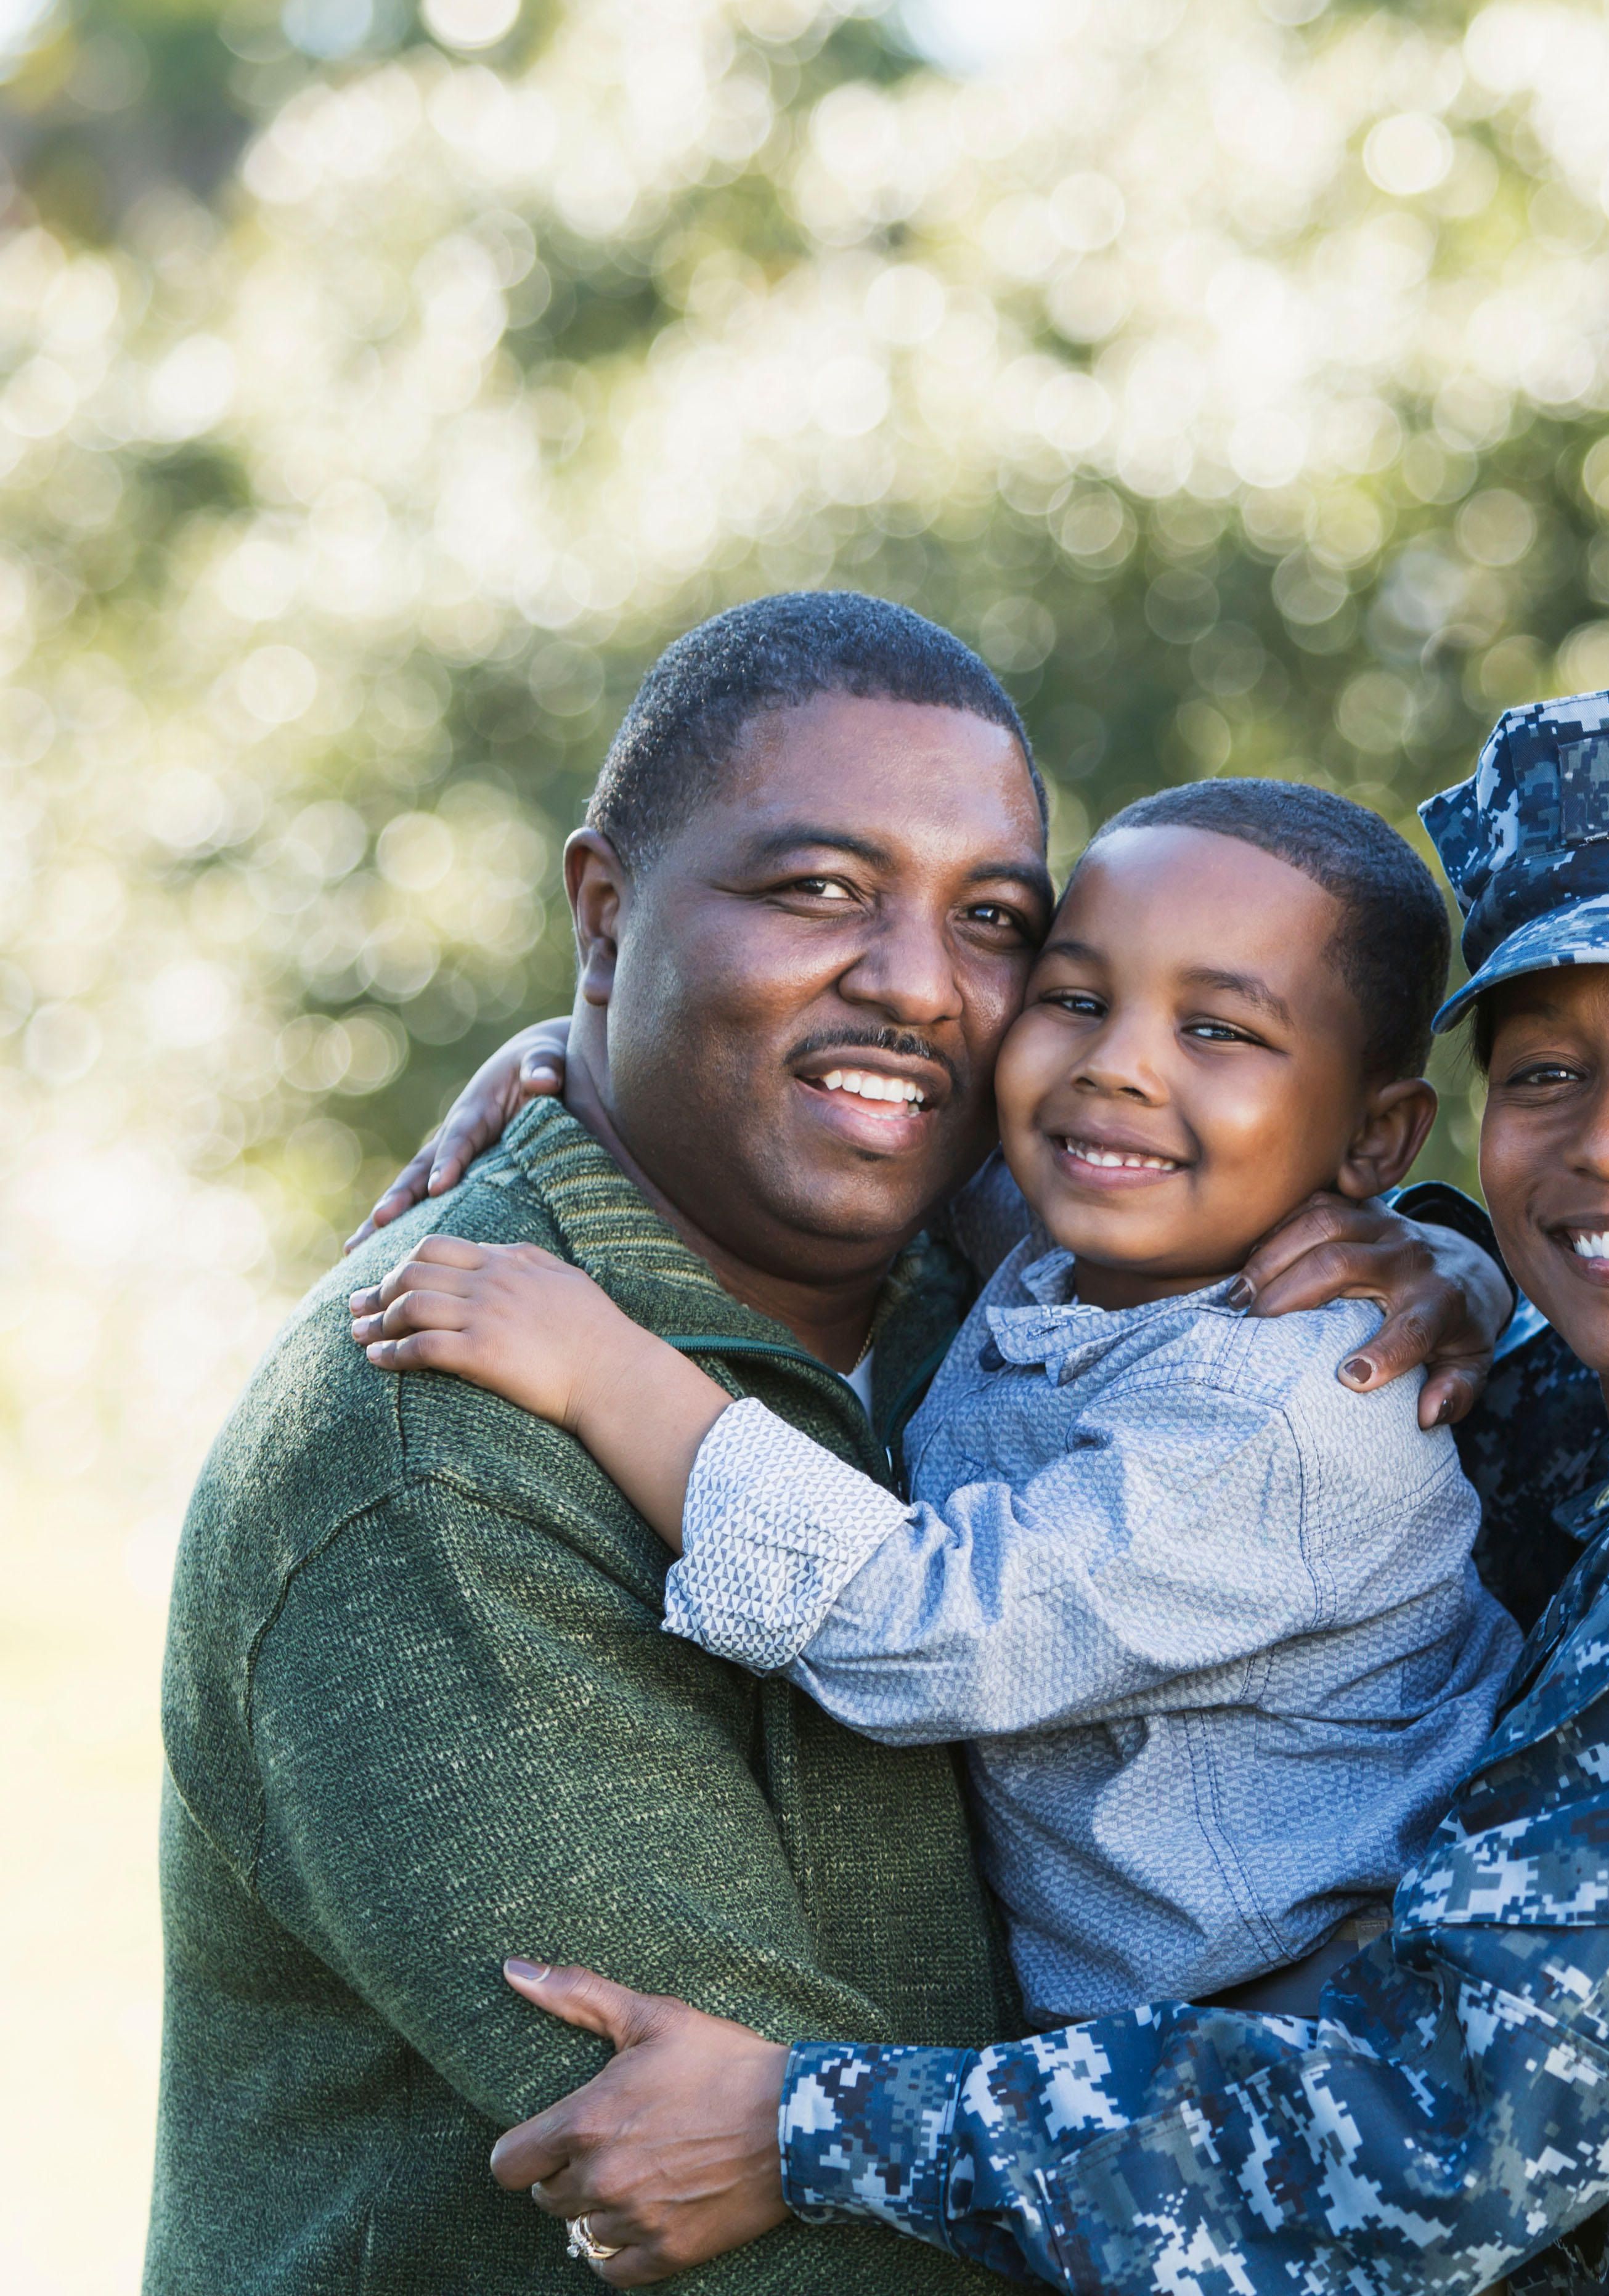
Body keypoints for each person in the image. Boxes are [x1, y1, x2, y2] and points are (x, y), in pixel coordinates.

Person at [483, 679, 1609, 2295]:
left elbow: (1433, 2144)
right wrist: (593, 1056)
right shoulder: (1587, 1396)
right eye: (1549, 1072)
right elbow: (1138, 1287)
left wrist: (806, 2126)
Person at [149, 592, 1512, 2296]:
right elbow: (764, 2234)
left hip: (1317, 2081)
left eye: (994, 920)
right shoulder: (437, 1448)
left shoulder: (991, 1269)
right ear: (602, 915)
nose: (919, 989)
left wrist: (1451, 1256)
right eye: (817, 892)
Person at [346, 778, 1523, 2028]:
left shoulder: (1295, 1410)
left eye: (1220, 1031)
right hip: (1143, 2028)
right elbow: (883, 1127)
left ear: (1380, 1139)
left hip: (1300, 2032)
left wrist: (605, 1371)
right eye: (1074, 999)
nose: (1115, 1067)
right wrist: (575, 1041)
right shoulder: (1076, 1237)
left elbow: (930, 1628)